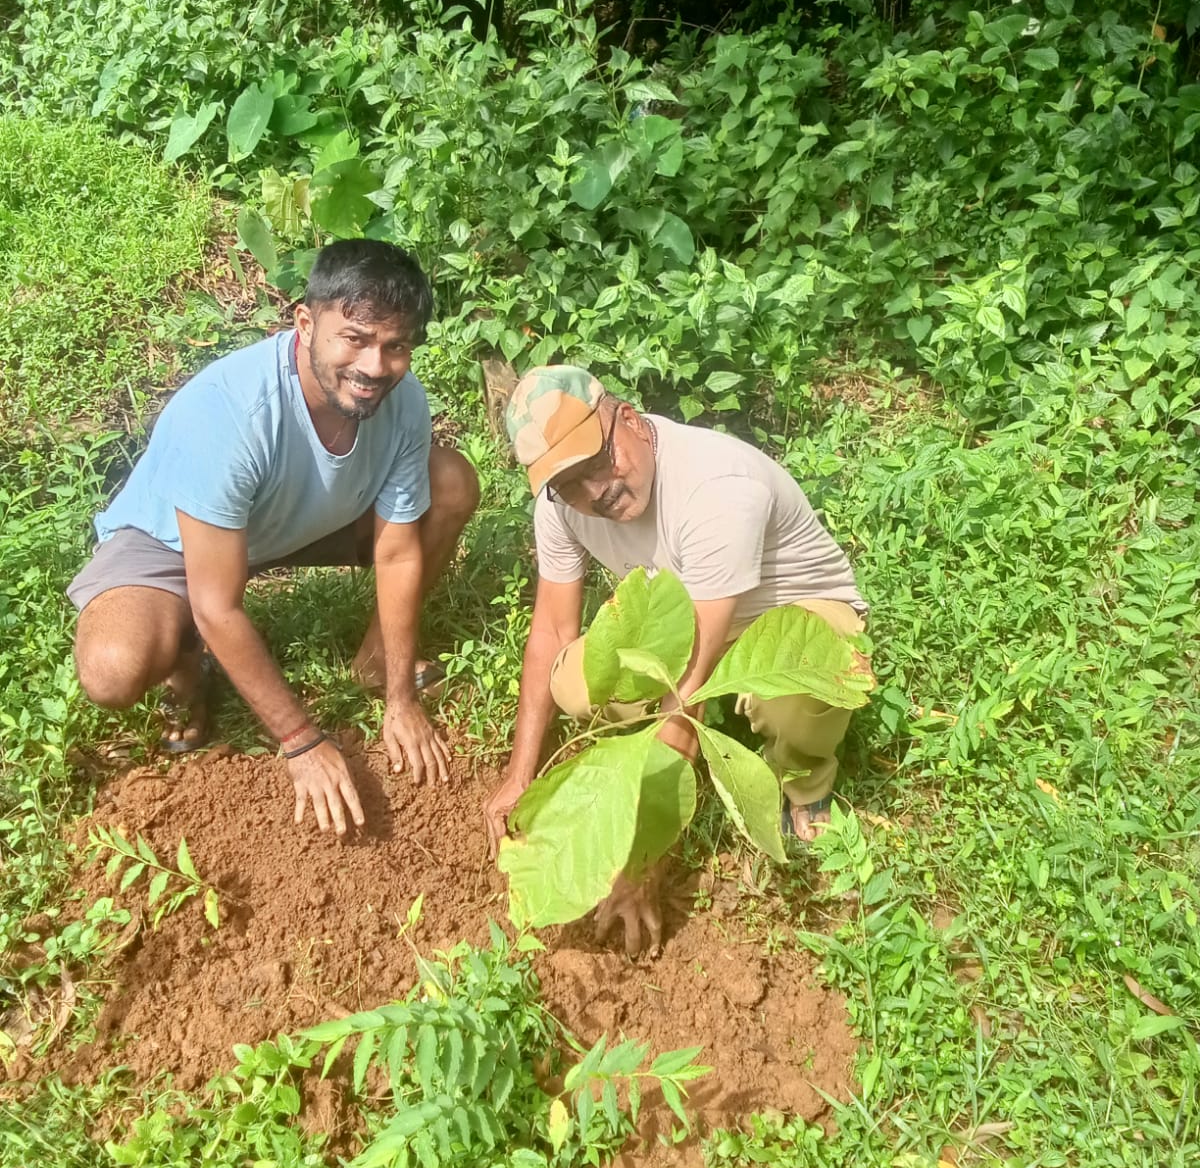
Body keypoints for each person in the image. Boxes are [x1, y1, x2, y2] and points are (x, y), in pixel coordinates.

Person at [70, 239, 479, 837]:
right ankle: (187, 664)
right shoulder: (228, 415)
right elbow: (218, 603)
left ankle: (373, 662)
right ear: (306, 323)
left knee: (451, 483)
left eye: (396, 347)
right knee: (113, 668)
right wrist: (301, 740)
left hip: (297, 521)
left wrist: (401, 697)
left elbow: (395, 550)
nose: (374, 366)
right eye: (356, 338)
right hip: (174, 544)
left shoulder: (402, 402)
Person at [484, 365, 869, 951]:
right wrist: (520, 776)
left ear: (630, 422)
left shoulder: (716, 487)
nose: (595, 492)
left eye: (596, 465)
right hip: (690, 620)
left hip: (795, 618)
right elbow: (551, 631)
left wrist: (639, 864)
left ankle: (805, 780)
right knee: (577, 683)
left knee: (793, 702)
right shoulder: (562, 507)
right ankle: (713, 730)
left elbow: (685, 691)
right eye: (569, 484)